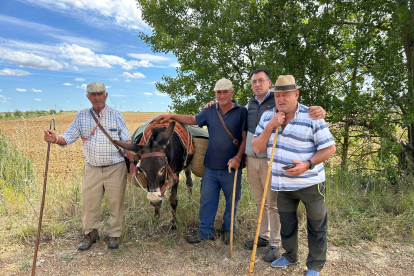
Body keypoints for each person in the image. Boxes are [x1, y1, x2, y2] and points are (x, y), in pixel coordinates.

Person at [252, 75, 336, 276]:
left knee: (316, 225)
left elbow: (329, 148)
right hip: (282, 184)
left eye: (286, 95)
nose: (281, 99)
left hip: (310, 183)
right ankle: (290, 256)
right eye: (278, 95)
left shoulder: (312, 115)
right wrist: (271, 125)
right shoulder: (267, 117)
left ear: (296, 95)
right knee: (287, 226)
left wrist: (307, 164)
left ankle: (315, 266)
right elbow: (256, 147)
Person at [43, 81, 138, 250]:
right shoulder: (81, 116)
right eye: (93, 94)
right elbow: (68, 137)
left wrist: (131, 162)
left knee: (116, 203)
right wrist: (55, 138)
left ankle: (114, 235)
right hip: (92, 168)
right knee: (89, 203)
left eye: (100, 93)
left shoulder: (116, 115)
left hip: (115, 167)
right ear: (88, 97)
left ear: (106, 95)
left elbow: (126, 141)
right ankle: (91, 233)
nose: (97, 97)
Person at [156, 78, 247, 245]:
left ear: (232, 93)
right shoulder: (210, 110)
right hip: (211, 166)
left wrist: (238, 158)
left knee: (232, 200)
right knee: (206, 200)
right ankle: (205, 232)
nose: (222, 95)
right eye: (219, 92)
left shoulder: (241, 111)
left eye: (225, 91)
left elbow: (244, 138)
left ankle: (228, 230)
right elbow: (192, 120)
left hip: (231, 167)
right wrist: (171, 116)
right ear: (216, 94)